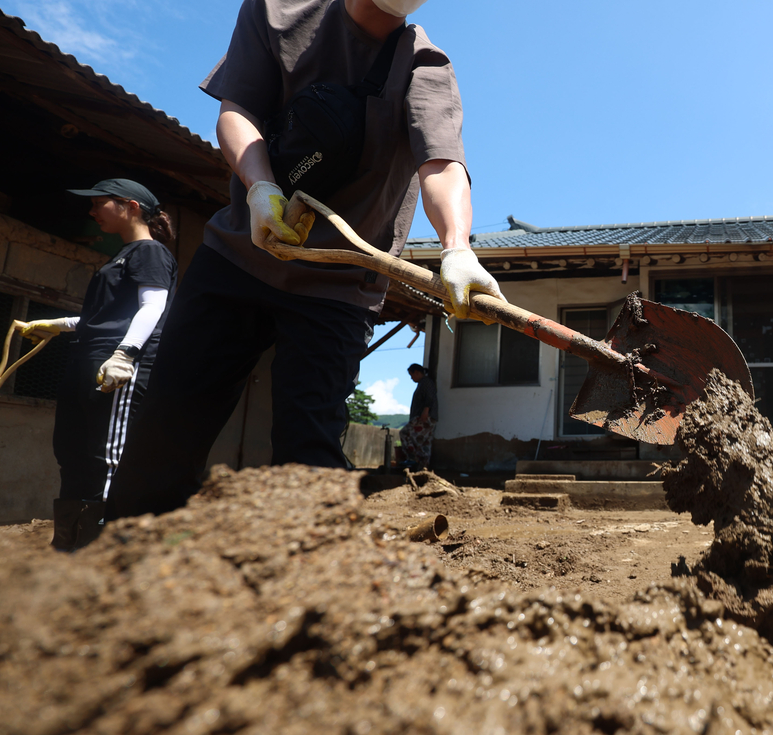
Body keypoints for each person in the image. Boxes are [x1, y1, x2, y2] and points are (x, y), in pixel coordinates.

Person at [104, 0, 504, 521]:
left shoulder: (423, 64)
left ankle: (311, 587)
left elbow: (442, 162)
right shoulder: (278, 11)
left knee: (309, 448)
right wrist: (261, 188)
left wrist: (457, 246)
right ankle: (124, 566)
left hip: (338, 286)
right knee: (169, 424)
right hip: (239, 258)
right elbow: (238, 107)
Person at [19, 179, 177, 549]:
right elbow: (107, 315)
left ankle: (100, 550)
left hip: (117, 363)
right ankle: (68, 547)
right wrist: (58, 325)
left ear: (130, 206)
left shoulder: (149, 253)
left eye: (99, 203)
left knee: (105, 455)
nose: (91, 212)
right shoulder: (121, 255)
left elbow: (152, 308)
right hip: (89, 357)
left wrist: (125, 355)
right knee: (72, 450)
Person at [399, 362, 437, 470]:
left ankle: (412, 459)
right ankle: (423, 467)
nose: (411, 378)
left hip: (424, 416)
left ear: (416, 372)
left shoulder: (426, 382)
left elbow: (429, 397)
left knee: (405, 433)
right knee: (424, 442)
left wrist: (425, 411)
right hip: (428, 417)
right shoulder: (424, 383)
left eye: (411, 375)